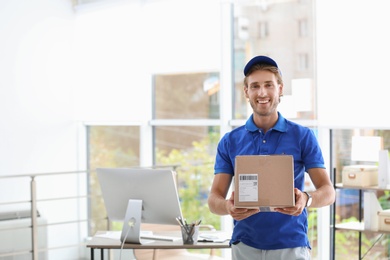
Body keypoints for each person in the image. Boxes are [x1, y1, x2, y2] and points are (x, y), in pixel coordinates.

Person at [207, 55, 335, 260]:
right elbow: (214, 199)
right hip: (245, 246)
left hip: (291, 246)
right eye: (255, 86)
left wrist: (306, 199)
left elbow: (328, 192)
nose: (262, 92)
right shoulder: (230, 141)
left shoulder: (302, 136)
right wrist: (228, 207)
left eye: (269, 85)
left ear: (280, 89)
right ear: (246, 92)